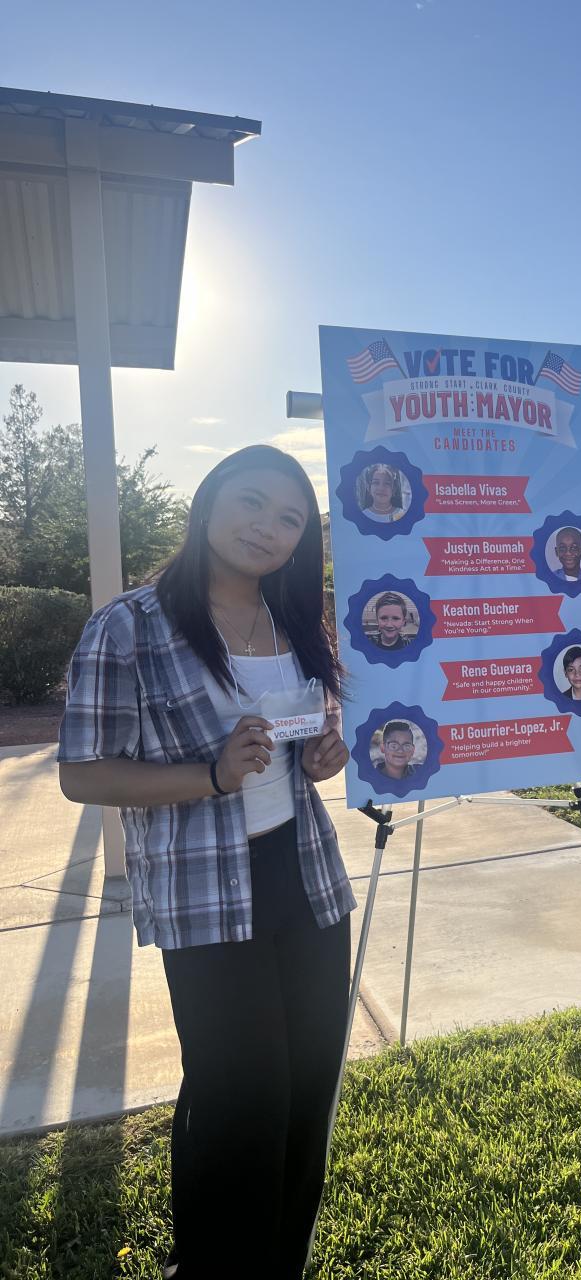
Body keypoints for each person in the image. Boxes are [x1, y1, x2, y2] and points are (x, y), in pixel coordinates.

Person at [57, 445, 354, 1280]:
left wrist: (320, 758)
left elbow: (298, 748)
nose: (268, 528)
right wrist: (212, 776)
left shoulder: (295, 620)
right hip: (204, 890)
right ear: (209, 501)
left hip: (306, 875)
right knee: (240, 1098)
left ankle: (280, 1260)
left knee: (306, 1090)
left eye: (289, 519)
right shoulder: (132, 624)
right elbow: (83, 774)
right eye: (251, 503)